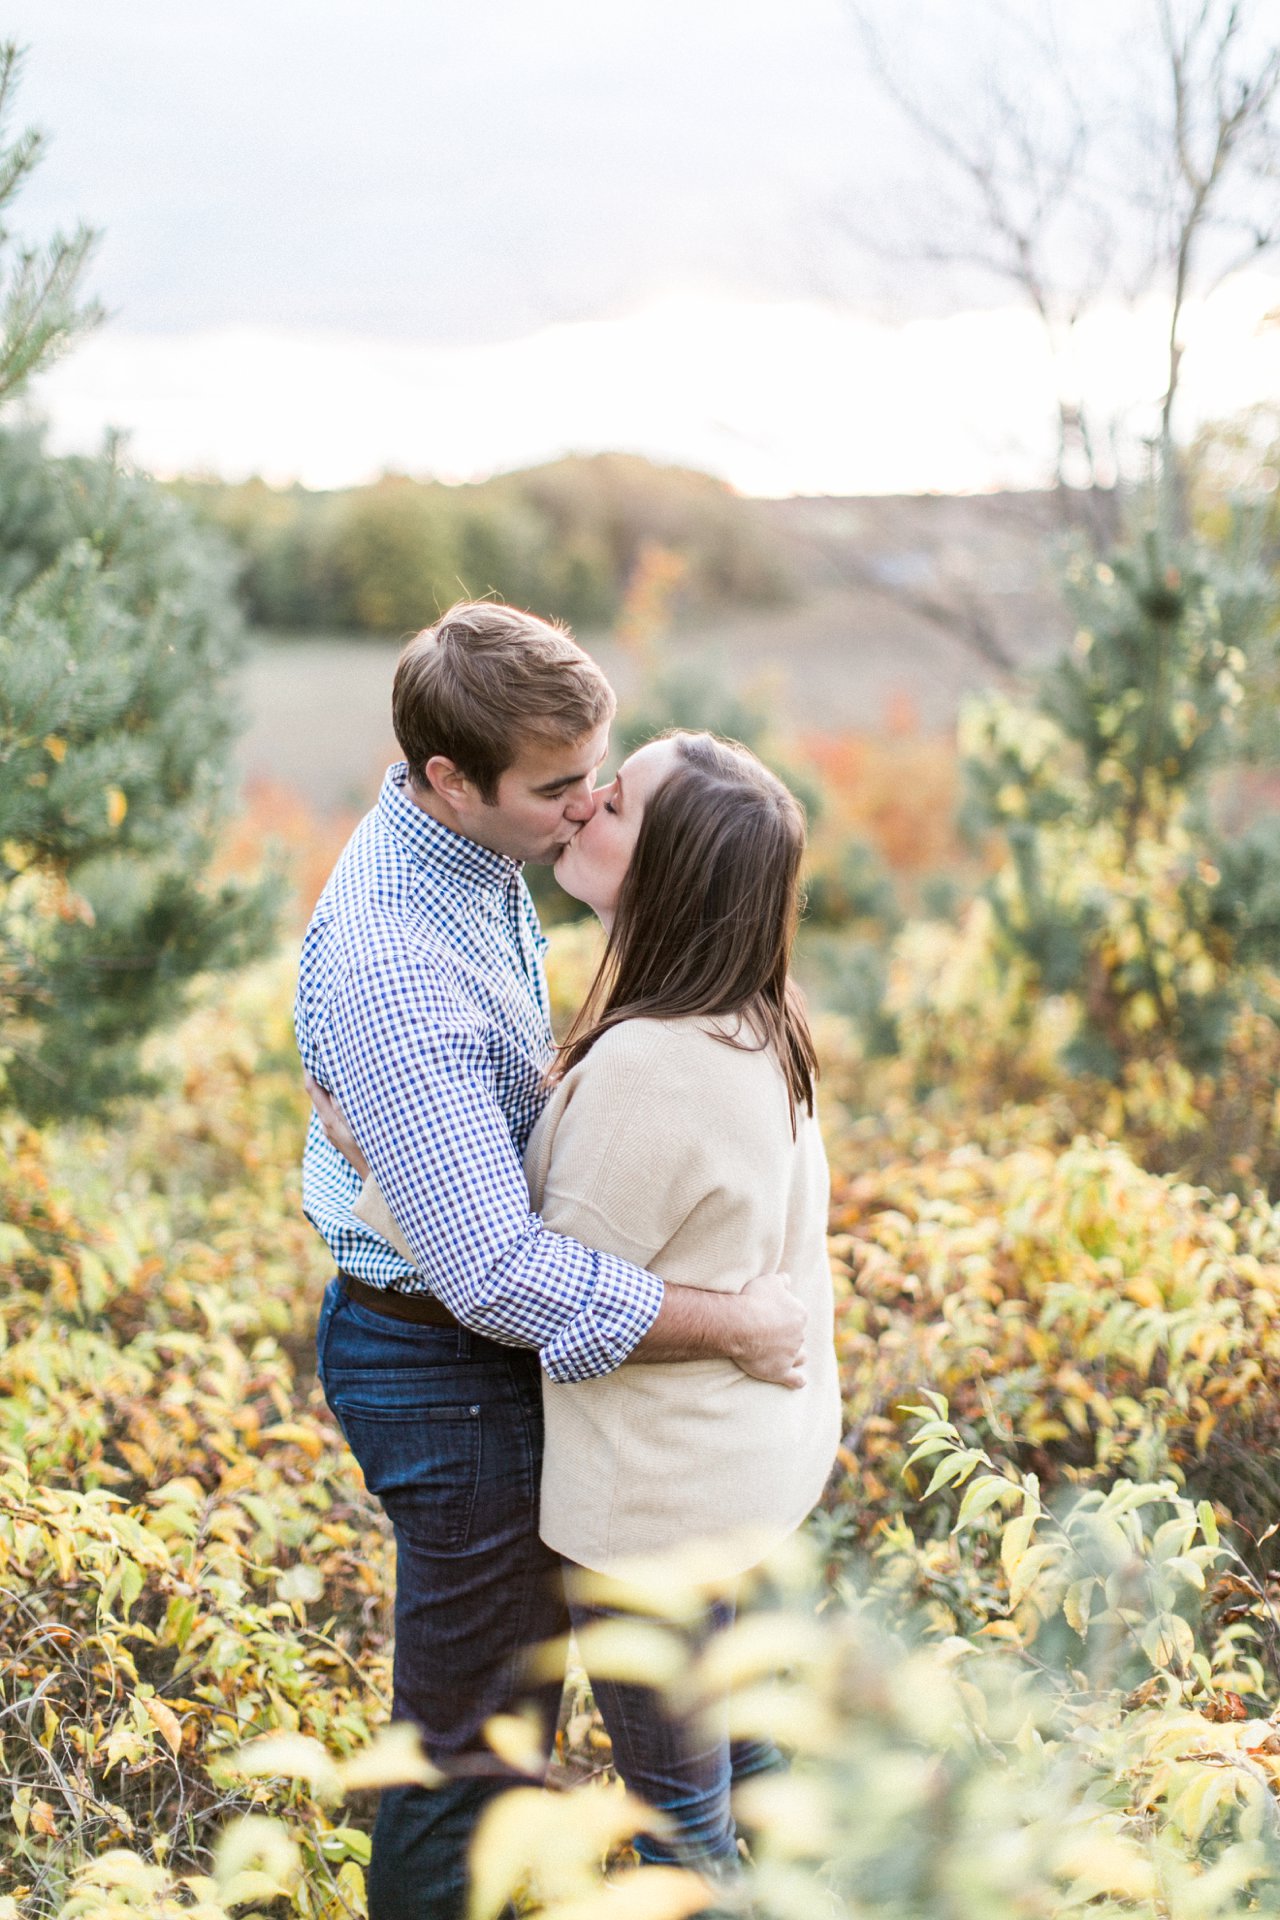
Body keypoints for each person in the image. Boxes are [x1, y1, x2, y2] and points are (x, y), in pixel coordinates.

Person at [294, 603, 807, 1920]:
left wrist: (462, 1122)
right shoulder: (400, 972)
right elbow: (502, 1277)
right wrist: (735, 1324)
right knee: (476, 1742)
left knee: (574, 1725)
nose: (585, 810)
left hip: (479, 1333)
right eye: (562, 790)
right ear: (449, 780)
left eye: (605, 776)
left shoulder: (467, 839)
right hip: (441, 1360)